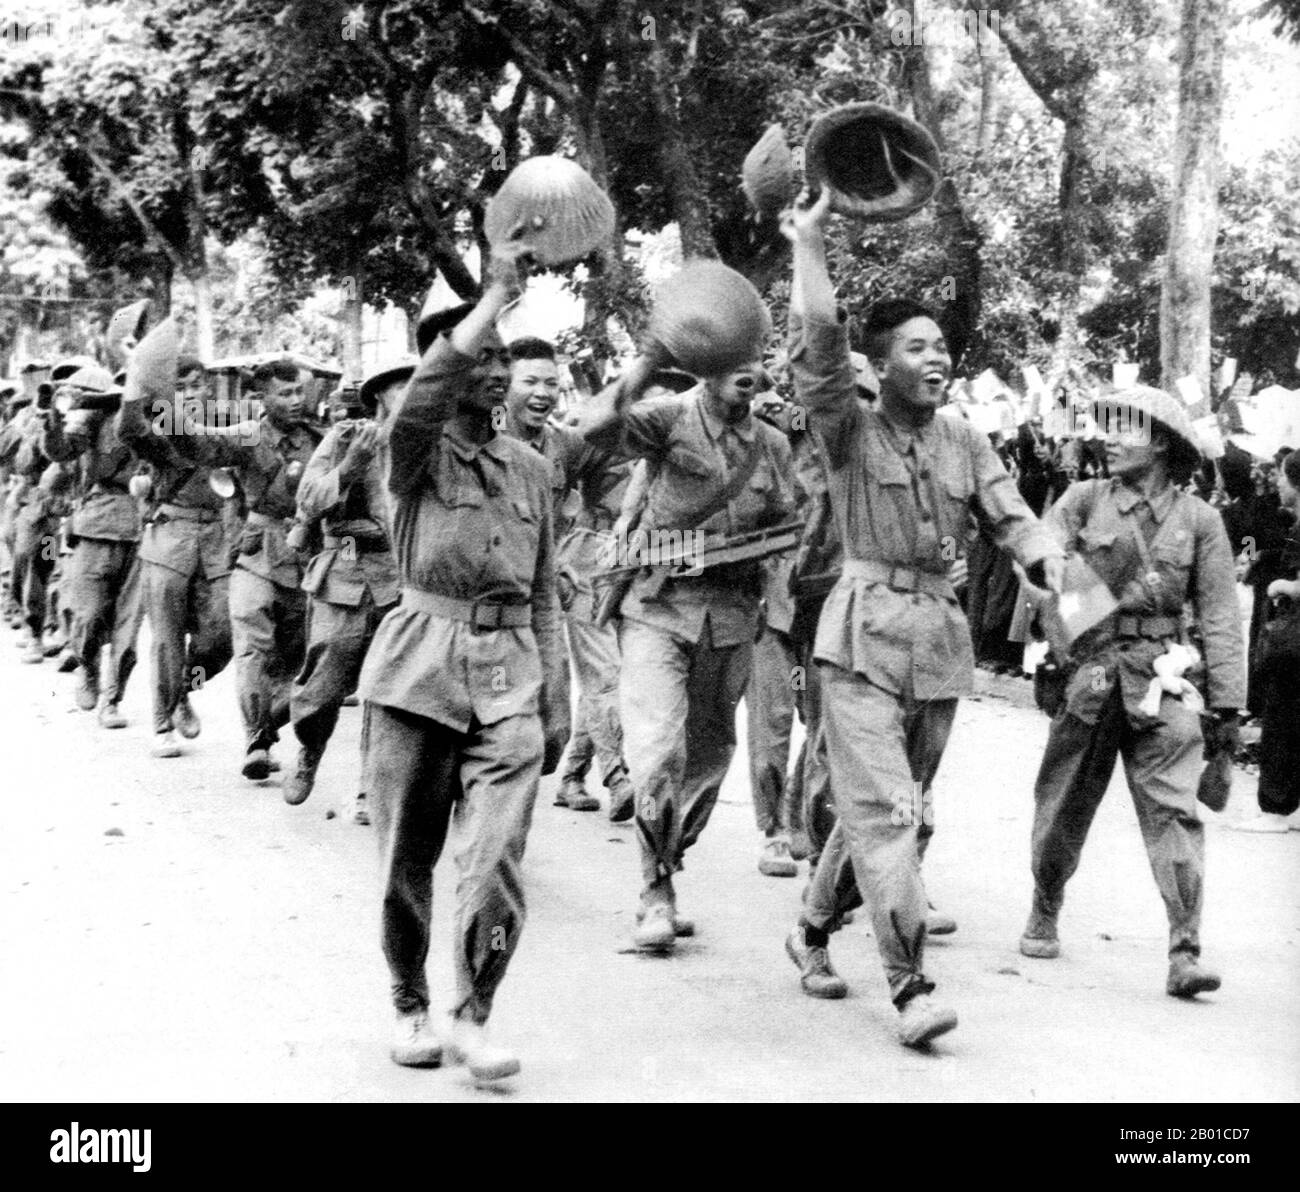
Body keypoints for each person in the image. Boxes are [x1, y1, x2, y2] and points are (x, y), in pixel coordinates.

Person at [779, 188, 1064, 1047]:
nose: (936, 359)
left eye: (942, 347)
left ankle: (811, 926)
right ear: (880, 364)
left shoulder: (965, 439)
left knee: (897, 807)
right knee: (889, 815)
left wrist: (1053, 574)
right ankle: (909, 987)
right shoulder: (846, 429)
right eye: (915, 347)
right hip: (861, 639)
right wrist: (809, 244)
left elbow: (1014, 517)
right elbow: (818, 348)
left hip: (939, 643)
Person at [357, 248, 569, 1082]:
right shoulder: (410, 451)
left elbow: (546, 590)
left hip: (510, 675)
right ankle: (409, 998)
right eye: (478, 357)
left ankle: (473, 1011)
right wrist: (493, 301)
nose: (493, 369)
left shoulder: (534, 470)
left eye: (500, 356)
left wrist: (556, 698)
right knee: (406, 861)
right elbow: (422, 401)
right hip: (419, 672)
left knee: (495, 861)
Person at [1019, 386, 1245, 999]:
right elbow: (1037, 569)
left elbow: (1221, 613)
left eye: (1126, 429)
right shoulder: (1082, 500)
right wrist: (1063, 647)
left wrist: (1226, 705)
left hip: (1163, 677)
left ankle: (1185, 948)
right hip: (1092, 670)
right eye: (1109, 428)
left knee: (1174, 809)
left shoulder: (1201, 520)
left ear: (1164, 445)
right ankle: (1046, 896)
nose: (1110, 438)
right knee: (1065, 801)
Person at [580, 350, 795, 954]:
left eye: (759, 359)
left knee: (708, 756)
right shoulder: (667, 418)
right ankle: (653, 890)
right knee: (654, 755)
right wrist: (650, 361)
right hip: (657, 609)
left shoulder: (773, 445)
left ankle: (667, 859)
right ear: (708, 363)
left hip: (730, 617)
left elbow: (787, 521)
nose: (749, 370)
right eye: (734, 358)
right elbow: (594, 430)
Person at [499, 336, 635, 818]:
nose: (542, 392)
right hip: (487, 595)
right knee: (498, 706)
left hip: (550, 587)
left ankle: (570, 772)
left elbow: (620, 446)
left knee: (556, 716)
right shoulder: (485, 439)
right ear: (503, 384)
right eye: (529, 381)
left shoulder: (563, 443)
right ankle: (613, 775)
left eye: (551, 383)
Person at [181, 359, 324, 779]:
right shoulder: (247, 436)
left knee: (296, 659)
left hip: (306, 557)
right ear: (261, 397)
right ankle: (255, 738)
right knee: (252, 644)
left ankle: (267, 725)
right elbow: (200, 445)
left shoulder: (320, 439)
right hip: (257, 553)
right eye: (285, 393)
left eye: (299, 391)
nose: (296, 400)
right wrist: (164, 411)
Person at [282, 360, 410, 816]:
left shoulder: (433, 442)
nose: (414, 393)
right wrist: (351, 467)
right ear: (378, 397)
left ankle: (369, 787)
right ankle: (309, 750)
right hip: (347, 570)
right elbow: (308, 498)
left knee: (388, 690)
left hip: (405, 577)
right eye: (402, 387)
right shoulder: (346, 436)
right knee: (324, 682)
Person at [116, 356, 238, 757]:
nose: (190, 394)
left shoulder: (226, 426)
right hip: (169, 538)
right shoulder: (158, 429)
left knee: (221, 635)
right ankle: (162, 721)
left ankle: (185, 688)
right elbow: (130, 432)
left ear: (207, 388)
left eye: (195, 385)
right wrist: (136, 393)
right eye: (179, 387)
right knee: (167, 639)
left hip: (217, 538)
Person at [39, 366, 145, 728]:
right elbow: (61, 452)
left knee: (128, 630)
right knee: (85, 616)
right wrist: (52, 419)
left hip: (144, 530)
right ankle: (88, 668)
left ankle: (113, 700)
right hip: (97, 526)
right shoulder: (96, 417)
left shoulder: (162, 417)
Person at [1233, 448, 1300, 832]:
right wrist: (1251, 560)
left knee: (1282, 712)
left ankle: (1275, 804)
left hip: (1287, 616)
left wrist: (1283, 583)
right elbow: (1250, 540)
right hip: (1271, 598)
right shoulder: (1265, 508)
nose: (1273, 479)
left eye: (1279, 473)